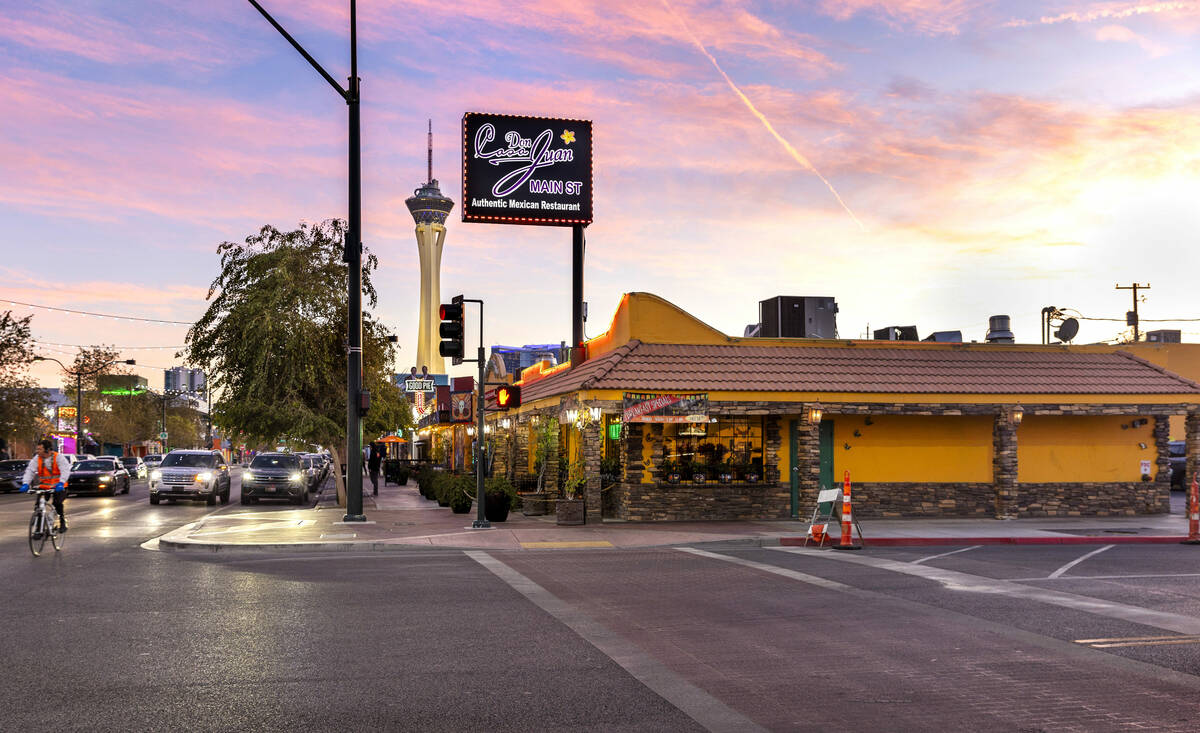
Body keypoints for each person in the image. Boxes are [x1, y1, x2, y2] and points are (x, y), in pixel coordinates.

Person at [20, 439, 72, 533]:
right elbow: (30, 471)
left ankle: (62, 522)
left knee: (57, 503)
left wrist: (61, 482)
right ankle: (38, 529)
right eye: (37, 449)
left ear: (47, 450)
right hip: (45, 486)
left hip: (59, 486)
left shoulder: (58, 457)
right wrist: (25, 483)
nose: (37, 451)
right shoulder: (37, 458)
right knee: (38, 506)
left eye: (40, 449)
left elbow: (65, 470)